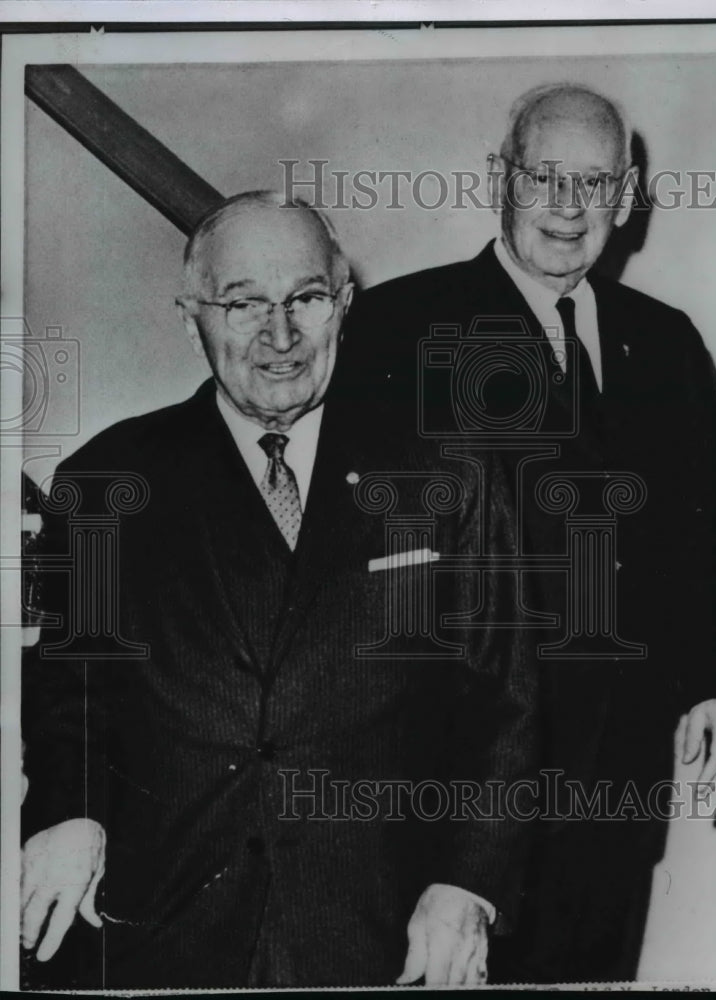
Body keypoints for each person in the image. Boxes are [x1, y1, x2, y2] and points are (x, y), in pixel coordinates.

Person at [20, 191, 540, 989]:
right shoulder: (104, 482)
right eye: (242, 304)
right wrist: (69, 811)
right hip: (160, 932)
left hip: (382, 933)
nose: (280, 336)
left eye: (305, 298)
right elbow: (69, 697)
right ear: (188, 315)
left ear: (344, 303)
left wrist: (467, 882)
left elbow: (504, 698)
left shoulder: (449, 467)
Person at [340, 84, 716, 982]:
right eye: (544, 177)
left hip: (616, 802)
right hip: (451, 806)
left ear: (625, 194)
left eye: (593, 182)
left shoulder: (668, 344)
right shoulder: (399, 327)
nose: (569, 208)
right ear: (499, 178)